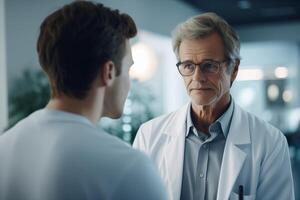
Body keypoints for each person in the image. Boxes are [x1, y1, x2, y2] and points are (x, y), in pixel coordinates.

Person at [0, 1, 166, 200]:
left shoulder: (5, 146)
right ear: (109, 72)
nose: (130, 82)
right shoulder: (128, 167)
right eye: (129, 69)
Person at [133, 12, 295, 200]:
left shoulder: (270, 142)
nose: (197, 77)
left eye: (209, 66)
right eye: (188, 66)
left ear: (233, 69)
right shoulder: (149, 136)